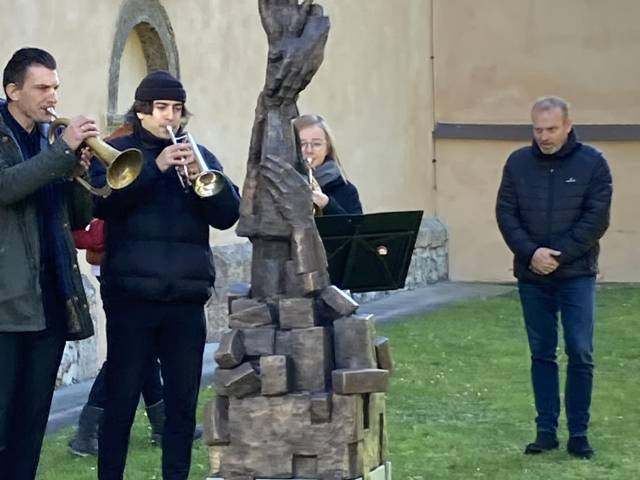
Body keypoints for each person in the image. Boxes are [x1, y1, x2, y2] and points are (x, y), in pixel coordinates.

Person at [91, 70, 240, 479]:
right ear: (141, 112)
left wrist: (201, 180)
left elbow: (228, 215)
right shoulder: (118, 152)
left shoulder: (199, 154)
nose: (169, 118)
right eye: (160, 109)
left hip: (185, 299)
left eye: (176, 109)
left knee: (181, 408)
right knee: (120, 403)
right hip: (131, 298)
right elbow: (105, 205)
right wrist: (155, 168)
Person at [496, 96, 612, 459]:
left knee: (580, 350)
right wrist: (532, 253)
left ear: (568, 126)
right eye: (538, 129)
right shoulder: (517, 163)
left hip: (576, 273)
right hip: (533, 275)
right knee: (542, 352)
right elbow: (506, 213)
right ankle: (546, 430)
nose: (544, 137)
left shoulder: (593, 163)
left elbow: (596, 219)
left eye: (551, 129)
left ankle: (579, 432)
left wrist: (556, 255)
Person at [0, 47, 97, 479]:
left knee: (31, 425)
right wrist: (61, 155)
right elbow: (6, 187)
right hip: (6, 305)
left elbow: (77, 220)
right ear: (12, 90)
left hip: (51, 301)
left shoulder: (48, 138)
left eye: (55, 87)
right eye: (41, 87)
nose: (51, 96)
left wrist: (77, 171)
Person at [293, 114, 362, 215]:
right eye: (301, 144)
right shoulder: (276, 187)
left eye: (316, 144)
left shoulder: (347, 191)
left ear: (327, 148)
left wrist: (327, 205)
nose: (309, 150)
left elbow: (356, 229)